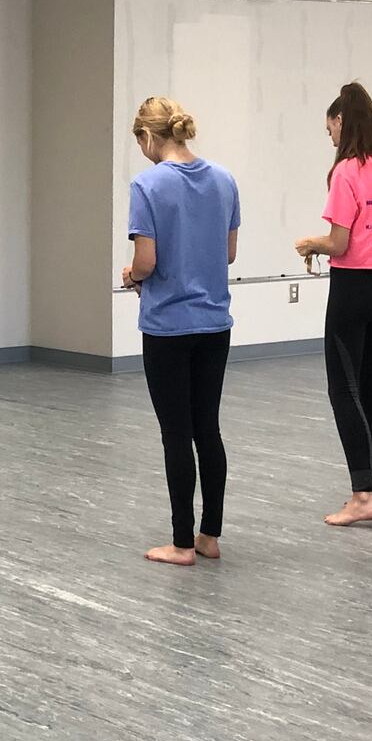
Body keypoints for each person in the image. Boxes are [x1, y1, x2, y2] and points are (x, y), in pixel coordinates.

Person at [123, 96, 241, 567]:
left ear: (148, 137)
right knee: (207, 428)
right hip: (214, 323)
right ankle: (210, 534)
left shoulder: (146, 185)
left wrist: (131, 276)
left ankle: (180, 542)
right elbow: (227, 254)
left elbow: (147, 262)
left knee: (176, 434)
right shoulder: (224, 179)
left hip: (168, 327)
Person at [295, 82, 372, 527]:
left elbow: (340, 241)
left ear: (342, 122)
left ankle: (361, 494)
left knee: (343, 390)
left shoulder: (345, 172)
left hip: (354, 291)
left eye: (330, 130)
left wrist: (311, 242)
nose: (330, 139)